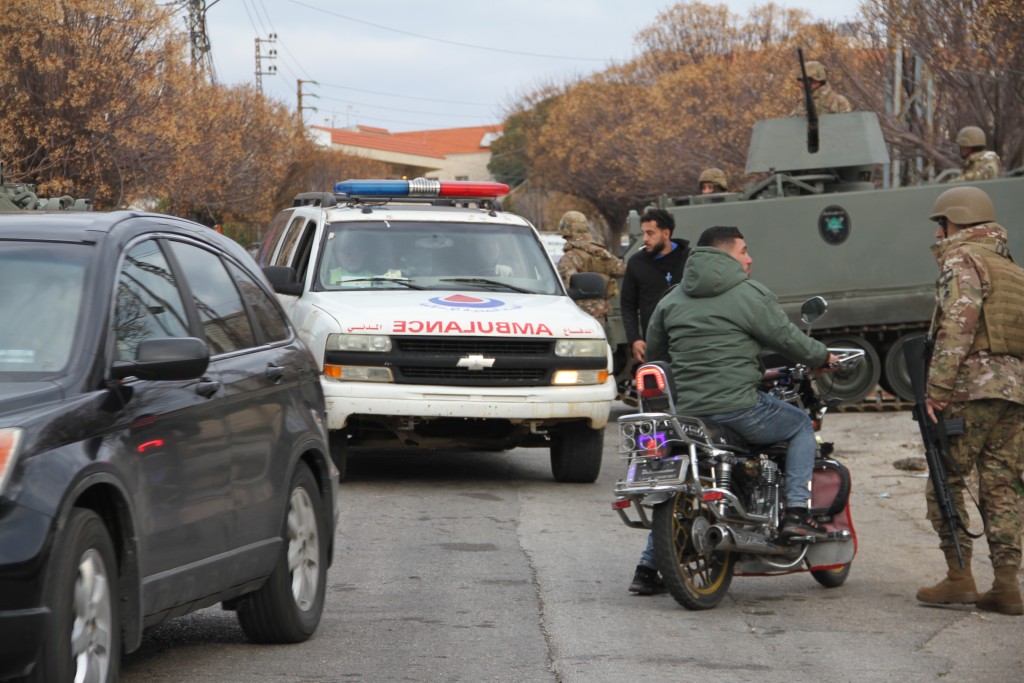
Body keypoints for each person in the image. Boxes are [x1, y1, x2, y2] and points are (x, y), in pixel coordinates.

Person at [627, 226, 838, 594]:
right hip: (738, 407)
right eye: (744, 251)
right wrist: (822, 357)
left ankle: (648, 567)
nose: (750, 258)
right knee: (800, 425)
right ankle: (797, 514)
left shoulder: (671, 298)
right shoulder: (749, 293)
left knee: (685, 481)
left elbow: (659, 356)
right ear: (726, 255)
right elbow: (787, 338)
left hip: (687, 416)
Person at [916, 186, 1023, 615]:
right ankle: (1007, 585)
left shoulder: (963, 259)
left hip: (971, 388)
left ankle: (959, 577)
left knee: (946, 479)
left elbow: (959, 324)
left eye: (941, 223)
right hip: (1014, 393)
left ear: (953, 222)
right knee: (1002, 486)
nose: (939, 233)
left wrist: (937, 390)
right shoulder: (1010, 267)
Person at [621, 209, 691, 367]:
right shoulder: (636, 263)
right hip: (654, 344)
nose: (645, 239)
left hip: (688, 342)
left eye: (650, 233)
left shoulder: (690, 259)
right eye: (643, 233)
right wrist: (634, 339)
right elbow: (628, 305)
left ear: (666, 233)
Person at [556, 210, 625, 325]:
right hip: (601, 315)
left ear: (566, 233)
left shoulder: (569, 259)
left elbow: (566, 291)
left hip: (579, 317)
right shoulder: (601, 253)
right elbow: (621, 269)